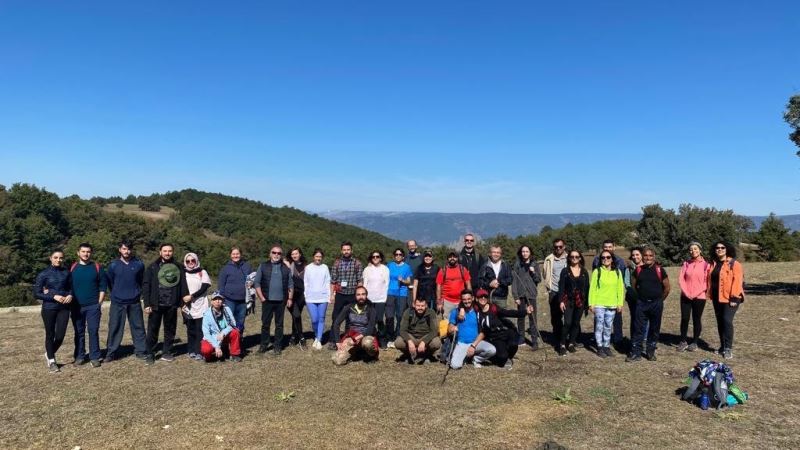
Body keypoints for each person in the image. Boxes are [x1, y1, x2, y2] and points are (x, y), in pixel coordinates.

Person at [143, 243, 190, 365]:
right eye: (165, 251)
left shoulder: (179, 267)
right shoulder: (153, 267)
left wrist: (182, 302)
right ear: (160, 252)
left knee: (170, 330)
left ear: (172, 252)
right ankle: (150, 354)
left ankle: (166, 352)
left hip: (172, 304)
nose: (167, 253)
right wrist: (147, 303)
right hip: (155, 304)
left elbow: (183, 285)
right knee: (152, 330)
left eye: (169, 251)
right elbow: (146, 285)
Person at [105, 241, 147, 363]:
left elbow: (140, 280)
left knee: (138, 327)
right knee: (115, 327)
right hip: (117, 301)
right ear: (120, 250)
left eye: (128, 249)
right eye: (124, 249)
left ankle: (141, 351)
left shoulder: (138, 264)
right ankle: (111, 352)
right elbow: (110, 282)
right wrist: (116, 293)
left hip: (134, 301)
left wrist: (137, 293)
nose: (126, 251)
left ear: (131, 250)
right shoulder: (113, 265)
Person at [627, 248, 671, 362]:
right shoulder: (638, 270)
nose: (648, 257)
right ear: (642, 257)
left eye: (650, 255)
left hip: (656, 303)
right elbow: (633, 285)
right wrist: (640, 298)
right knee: (639, 329)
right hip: (641, 304)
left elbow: (667, 288)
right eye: (645, 255)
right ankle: (636, 353)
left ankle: (650, 352)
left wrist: (660, 300)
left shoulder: (660, 270)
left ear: (654, 257)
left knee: (654, 329)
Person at [34, 250, 73, 373]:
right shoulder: (43, 274)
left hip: (64, 308)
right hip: (49, 308)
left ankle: (49, 353)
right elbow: (36, 293)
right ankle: (52, 361)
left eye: (61, 258)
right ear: (50, 258)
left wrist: (70, 295)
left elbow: (71, 288)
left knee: (60, 336)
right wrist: (53, 297)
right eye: (55, 257)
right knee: (50, 334)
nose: (58, 260)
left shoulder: (67, 273)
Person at [70, 243, 108, 367]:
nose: (86, 254)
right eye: (83, 251)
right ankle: (80, 356)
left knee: (93, 331)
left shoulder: (97, 267)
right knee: (79, 332)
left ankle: (95, 357)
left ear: (91, 253)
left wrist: (99, 303)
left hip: (93, 306)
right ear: (78, 253)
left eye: (88, 252)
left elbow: (103, 286)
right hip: (76, 306)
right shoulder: (73, 267)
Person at [474, 288, 530, 369]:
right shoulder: (476, 310)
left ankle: (509, 357)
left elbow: (508, 313)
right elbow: (465, 304)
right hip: (494, 337)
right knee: (501, 358)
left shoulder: (493, 308)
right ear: (476, 298)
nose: (483, 298)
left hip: (504, 332)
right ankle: (503, 356)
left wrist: (525, 312)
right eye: (480, 297)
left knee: (514, 344)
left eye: (485, 296)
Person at [707, 241, 744, 360]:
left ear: (727, 249)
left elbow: (737, 281)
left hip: (731, 298)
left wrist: (734, 297)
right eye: (717, 248)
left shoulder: (734, 264)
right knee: (720, 322)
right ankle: (722, 346)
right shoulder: (713, 264)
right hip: (717, 297)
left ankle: (728, 348)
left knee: (727, 320)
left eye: (722, 247)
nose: (719, 249)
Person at [255, 245, 294, 356]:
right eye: (274, 252)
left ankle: (277, 346)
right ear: (270, 254)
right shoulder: (263, 266)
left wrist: (290, 298)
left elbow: (291, 284)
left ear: (281, 255)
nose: (276, 255)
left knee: (279, 325)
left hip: (281, 301)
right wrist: (261, 297)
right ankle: (264, 345)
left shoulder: (286, 268)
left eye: (279, 253)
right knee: (265, 324)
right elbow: (257, 282)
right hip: (267, 300)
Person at [592, 239, 627, 349]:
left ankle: (618, 339)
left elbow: (621, 282)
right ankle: (598, 341)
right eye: (605, 247)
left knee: (617, 319)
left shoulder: (620, 261)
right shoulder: (596, 260)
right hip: (600, 299)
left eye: (610, 247)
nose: (607, 249)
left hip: (613, 298)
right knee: (599, 321)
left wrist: (619, 300)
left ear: (614, 247)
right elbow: (595, 279)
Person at [328, 241, 363, 349]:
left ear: (351, 250)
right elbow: (333, 281)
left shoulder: (357, 263)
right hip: (340, 294)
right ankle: (333, 340)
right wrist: (332, 295)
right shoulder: (337, 263)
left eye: (348, 249)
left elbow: (360, 280)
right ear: (341, 251)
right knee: (336, 317)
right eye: (344, 250)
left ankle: (347, 339)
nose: (346, 251)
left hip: (352, 294)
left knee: (351, 318)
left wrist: (358, 295)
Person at [447, 289, 495, 369]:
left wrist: (473, 346)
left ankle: (475, 359)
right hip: (462, 343)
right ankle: (466, 357)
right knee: (455, 366)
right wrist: (453, 328)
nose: (467, 301)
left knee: (491, 350)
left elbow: (483, 331)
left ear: (472, 298)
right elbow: (449, 329)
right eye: (464, 300)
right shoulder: (456, 311)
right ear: (461, 300)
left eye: (469, 299)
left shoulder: (478, 312)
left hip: (475, 343)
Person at [331, 286, 378, 365]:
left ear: (366, 295)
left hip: (365, 336)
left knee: (367, 342)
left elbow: (371, 328)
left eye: (363, 294)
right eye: (358, 294)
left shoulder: (371, 309)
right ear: (355, 296)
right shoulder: (349, 307)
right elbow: (336, 323)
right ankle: (356, 352)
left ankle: (371, 355)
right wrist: (338, 342)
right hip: (351, 336)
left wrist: (356, 338)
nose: (361, 297)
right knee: (338, 360)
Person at [557, 250, 590, 356]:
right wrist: (561, 301)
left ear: (580, 258)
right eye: (572, 256)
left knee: (576, 323)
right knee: (567, 322)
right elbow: (561, 287)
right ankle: (562, 344)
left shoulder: (584, 271)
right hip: (568, 300)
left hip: (580, 301)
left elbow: (587, 287)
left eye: (577, 256)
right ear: (569, 258)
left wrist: (588, 303)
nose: (574, 258)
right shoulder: (565, 271)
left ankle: (571, 343)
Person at [677, 242, 709, 352]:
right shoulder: (686, 263)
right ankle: (683, 341)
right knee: (684, 318)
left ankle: (695, 342)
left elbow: (706, 282)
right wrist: (686, 292)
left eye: (695, 249)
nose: (693, 251)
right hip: (685, 296)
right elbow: (681, 279)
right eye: (691, 249)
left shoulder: (706, 265)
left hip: (699, 297)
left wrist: (695, 294)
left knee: (696, 319)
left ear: (700, 250)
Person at [511, 245, 542, 348]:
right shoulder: (517, 265)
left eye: (527, 251)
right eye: (523, 251)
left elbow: (538, 280)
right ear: (521, 253)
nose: (525, 253)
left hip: (531, 295)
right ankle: (521, 338)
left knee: (532, 317)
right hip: (520, 295)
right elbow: (514, 281)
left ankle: (534, 340)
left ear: (530, 253)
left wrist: (533, 272)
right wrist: (515, 296)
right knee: (521, 316)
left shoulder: (535, 264)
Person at [217, 246, 253, 334]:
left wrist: (252, 283)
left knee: (240, 323)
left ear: (241, 255)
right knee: (228, 322)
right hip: (229, 300)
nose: (235, 256)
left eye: (237, 254)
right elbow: (221, 285)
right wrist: (222, 299)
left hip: (243, 301)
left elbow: (253, 278)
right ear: (230, 255)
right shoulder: (225, 268)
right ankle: (228, 344)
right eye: (233, 254)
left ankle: (238, 342)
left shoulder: (247, 266)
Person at [182, 252, 211, 361]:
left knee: (200, 330)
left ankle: (199, 351)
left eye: (193, 260)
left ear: (196, 261)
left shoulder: (202, 272)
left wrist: (192, 296)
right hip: (188, 306)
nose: (190, 263)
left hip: (201, 305)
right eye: (188, 261)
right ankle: (191, 350)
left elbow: (205, 286)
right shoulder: (183, 273)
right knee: (190, 329)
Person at [395, 297, 441, 363]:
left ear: (426, 305)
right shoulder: (408, 312)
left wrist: (424, 342)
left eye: (422, 306)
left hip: (425, 336)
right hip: (412, 336)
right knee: (398, 342)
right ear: (414, 305)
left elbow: (434, 331)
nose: (420, 308)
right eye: (418, 305)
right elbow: (402, 330)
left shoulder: (431, 312)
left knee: (436, 343)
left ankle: (427, 355)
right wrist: (409, 341)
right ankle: (408, 355)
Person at [200, 291, 242, 362]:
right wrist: (216, 346)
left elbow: (232, 324)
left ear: (222, 301)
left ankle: (234, 354)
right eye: (215, 299)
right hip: (212, 337)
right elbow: (206, 333)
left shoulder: (227, 309)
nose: (217, 301)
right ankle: (210, 357)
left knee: (235, 332)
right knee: (206, 350)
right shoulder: (207, 314)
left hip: (224, 335)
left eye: (219, 299)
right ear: (212, 302)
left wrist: (223, 333)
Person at [542, 238, 568, 347]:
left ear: (564, 247)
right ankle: (558, 337)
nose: (558, 248)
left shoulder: (570, 258)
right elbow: (545, 273)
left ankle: (572, 338)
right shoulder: (549, 259)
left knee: (569, 316)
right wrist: (549, 287)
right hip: (554, 291)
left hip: (567, 292)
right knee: (556, 317)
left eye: (560, 246)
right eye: (556, 247)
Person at [304, 248, 331, 350]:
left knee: (321, 318)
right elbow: (305, 282)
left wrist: (329, 296)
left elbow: (328, 281)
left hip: (323, 297)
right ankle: (316, 334)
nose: (318, 258)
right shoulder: (308, 268)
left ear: (322, 257)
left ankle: (318, 339)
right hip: (311, 298)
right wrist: (306, 295)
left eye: (320, 257)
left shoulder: (325, 267)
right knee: (314, 319)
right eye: (316, 256)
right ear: (313, 257)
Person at [387, 248, 413, 347]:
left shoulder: (407, 267)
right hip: (390, 293)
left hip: (402, 294)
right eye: (396, 254)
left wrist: (403, 280)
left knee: (399, 316)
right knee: (389, 316)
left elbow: (409, 281)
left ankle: (398, 336)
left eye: (400, 254)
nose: (398, 256)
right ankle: (390, 337)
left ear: (403, 256)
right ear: (394, 256)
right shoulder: (390, 265)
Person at [363, 250, 389, 347]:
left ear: (381, 258)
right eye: (373, 257)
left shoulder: (385, 269)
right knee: (370, 320)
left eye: (377, 256)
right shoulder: (367, 269)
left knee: (379, 319)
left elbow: (387, 284)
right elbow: (365, 284)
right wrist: (364, 297)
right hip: (369, 299)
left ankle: (382, 339)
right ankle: (372, 339)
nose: (375, 258)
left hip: (380, 299)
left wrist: (385, 297)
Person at [436, 251, 472, 319]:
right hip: (447, 301)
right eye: (450, 257)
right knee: (446, 321)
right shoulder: (443, 270)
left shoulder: (463, 269)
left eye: (454, 257)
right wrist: (439, 302)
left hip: (461, 301)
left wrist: (469, 297)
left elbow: (468, 284)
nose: (452, 258)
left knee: (462, 320)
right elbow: (438, 287)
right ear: (447, 259)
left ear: (457, 258)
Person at [285, 247, 307, 348]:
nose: (294, 255)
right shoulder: (288, 265)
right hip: (290, 295)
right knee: (297, 315)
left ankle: (293, 337)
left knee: (296, 317)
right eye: (292, 254)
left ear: (300, 254)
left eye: (296, 253)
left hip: (301, 295)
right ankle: (301, 337)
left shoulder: (306, 266)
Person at [625, 247, 644, 344]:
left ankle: (644, 341)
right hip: (633, 299)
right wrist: (635, 295)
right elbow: (627, 283)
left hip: (645, 298)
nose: (635, 257)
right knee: (635, 319)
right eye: (633, 255)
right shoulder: (629, 268)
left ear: (641, 255)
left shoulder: (647, 266)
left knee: (645, 320)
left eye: (637, 254)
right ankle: (634, 341)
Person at [406, 240, 423, 307]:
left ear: (416, 246)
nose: (411, 247)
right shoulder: (405, 258)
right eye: (410, 246)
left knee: (418, 306)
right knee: (409, 307)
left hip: (419, 288)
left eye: (413, 245)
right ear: (408, 247)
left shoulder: (421, 257)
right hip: (407, 288)